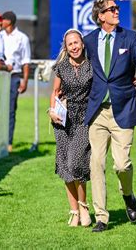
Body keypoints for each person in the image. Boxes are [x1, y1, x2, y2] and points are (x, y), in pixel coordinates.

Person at [84, 0, 136, 232]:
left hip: (122, 108)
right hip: (96, 113)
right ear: (100, 16)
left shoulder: (130, 37)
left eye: (117, 8)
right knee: (96, 164)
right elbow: (79, 68)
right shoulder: (88, 41)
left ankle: (129, 194)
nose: (116, 11)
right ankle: (101, 216)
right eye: (111, 9)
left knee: (122, 165)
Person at [49, 29, 92, 227]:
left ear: (82, 43)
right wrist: (51, 110)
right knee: (66, 167)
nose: (74, 47)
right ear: (66, 47)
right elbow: (55, 92)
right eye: (70, 44)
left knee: (76, 163)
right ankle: (74, 211)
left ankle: (83, 205)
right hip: (63, 120)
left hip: (85, 119)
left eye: (76, 43)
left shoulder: (92, 64)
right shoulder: (61, 66)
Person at [0, 11, 31, 153]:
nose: (1, 21)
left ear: (10, 21)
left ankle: (9, 143)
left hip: (14, 76)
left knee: (11, 109)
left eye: (3, 19)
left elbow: (25, 62)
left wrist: (24, 80)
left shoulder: (22, 38)